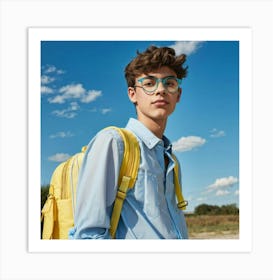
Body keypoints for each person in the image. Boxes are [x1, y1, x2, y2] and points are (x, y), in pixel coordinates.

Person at [69, 45, 188, 239]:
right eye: (149, 83)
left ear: (178, 95)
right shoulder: (114, 143)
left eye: (170, 83)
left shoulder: (172, 160)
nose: (161, 90)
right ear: (132, 94)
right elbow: (89, 235)